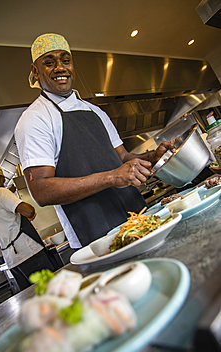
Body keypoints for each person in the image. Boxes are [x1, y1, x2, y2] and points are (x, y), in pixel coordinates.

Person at [15, 33, 176, 250]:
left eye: (65, 60)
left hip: (136, 216)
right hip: (93, 233)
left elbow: (124, 158)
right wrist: (111, 177)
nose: (60, 68)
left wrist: (153, 157)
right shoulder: (34, 119)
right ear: (35, 71)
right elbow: (41, 190)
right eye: (49, 63)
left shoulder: (94, 111)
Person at [0, 166, 57, 291]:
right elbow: (29, 211)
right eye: (2, 180)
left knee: (35, 298)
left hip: (12, 262)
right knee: (52, 290)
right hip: (29, 252)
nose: (3, 184)